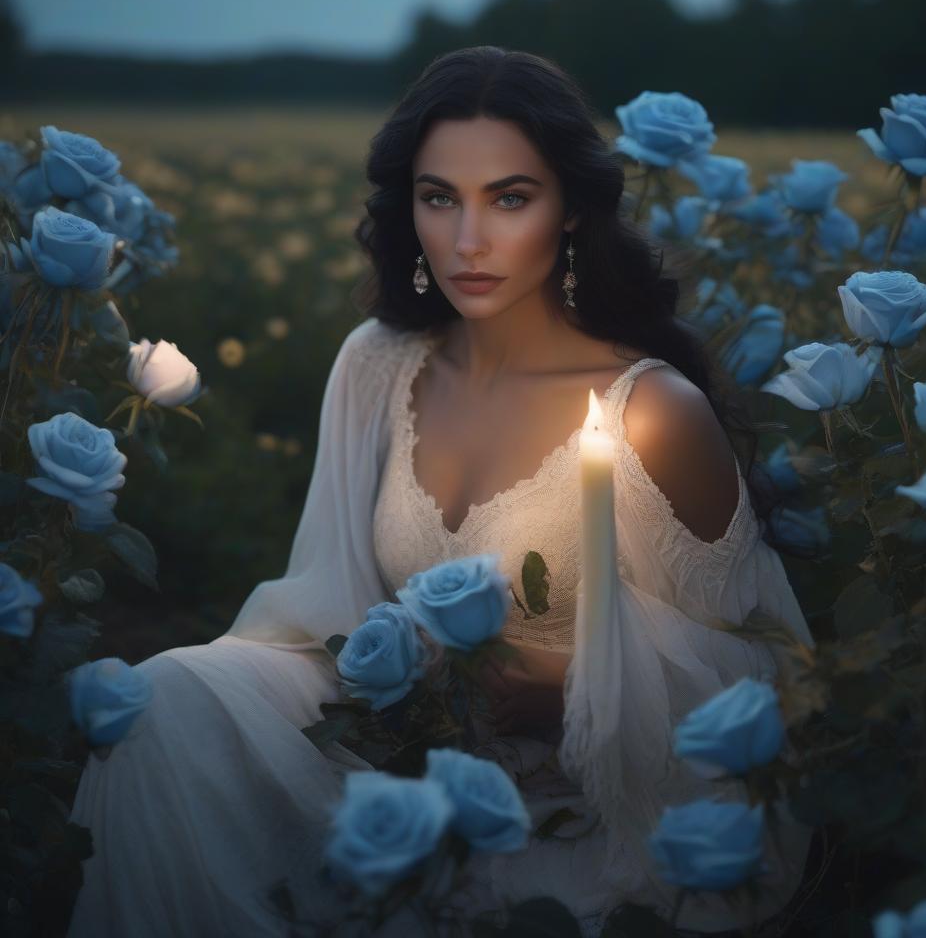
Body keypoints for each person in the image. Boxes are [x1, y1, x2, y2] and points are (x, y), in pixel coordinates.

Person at [67, 46, 816, 938]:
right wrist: (395, 690)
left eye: (509, 198)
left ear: (571, 208)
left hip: (599, 811)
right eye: (438, 198)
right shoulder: (377, 365)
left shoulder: (649, 412)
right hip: (404, 763)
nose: (468, 241)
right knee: (168, 701)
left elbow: (760, 677)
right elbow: (327, 607)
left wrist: (569, 690)